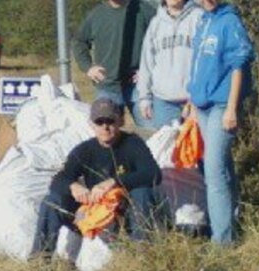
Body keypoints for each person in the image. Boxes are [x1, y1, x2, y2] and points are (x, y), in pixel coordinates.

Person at [34, 97, 163, 254]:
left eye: (110, 121)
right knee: (52, 201)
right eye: (99, 122)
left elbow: (153, 173)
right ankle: (40, 258)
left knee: (142, 193)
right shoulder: (84, 150)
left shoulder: (133, 144)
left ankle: (142, 252)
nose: (105, 127)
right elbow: (59, 178)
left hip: (125, 211)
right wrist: (73, 186)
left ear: (120, 121)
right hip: (93, 211)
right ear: (91, 125)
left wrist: (114, 182)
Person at [185, 0, 255, 245]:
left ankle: (222, 242)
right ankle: (232, 222)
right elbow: (198, 64)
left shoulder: (229, 22)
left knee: (213, 173)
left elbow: (239, 64)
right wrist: (191, 101)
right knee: (222, 167)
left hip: (222, 105)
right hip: (201, 104)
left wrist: (231, 108)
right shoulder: (203, 21)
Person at [72, 0, 153, 127]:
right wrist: (89, 67)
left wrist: (149, 71)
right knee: (107, 136)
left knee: (152, 133)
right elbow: (79, 41)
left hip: (139, 85)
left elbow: (162, 39)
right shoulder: (96, 15)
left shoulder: (143, 9)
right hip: (107, 86)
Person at [136, 0, 202, 130]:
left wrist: (197, 97)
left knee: (195, 152)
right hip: (163, 101)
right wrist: (144, 98)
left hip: (194, 100)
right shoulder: (156, 23)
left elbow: (206, 61)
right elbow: (147, 64)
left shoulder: (199, 17)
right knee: (167, 153)